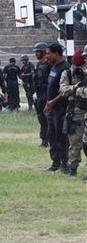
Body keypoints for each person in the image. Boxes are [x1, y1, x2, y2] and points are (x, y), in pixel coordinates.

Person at [58, 47, 86, 177]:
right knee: (75, 141)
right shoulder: (68, 73)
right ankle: (73, 168)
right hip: (76, 110)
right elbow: (63, 90)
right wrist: (75, 87)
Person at [43, 42, 71, 173]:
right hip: (51, 108)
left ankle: (65, 164)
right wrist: (47, 104)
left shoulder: (65, 68)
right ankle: (55, 162)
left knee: (61, 137)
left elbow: (65, 90)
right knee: (51, 135)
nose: (46, 56)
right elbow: (51, 87)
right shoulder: (53, 67)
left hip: (61, 108)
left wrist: (53, 102)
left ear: (56, 54)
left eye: (49, 53)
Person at [33, 42, 51, 147]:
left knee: (48, 118)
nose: (36, 54)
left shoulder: (49, 65)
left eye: (38, 52)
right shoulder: (39, 64)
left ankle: (50, 139)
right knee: (41, 118)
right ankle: (44, 139)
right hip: (39, 95)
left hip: (47, 95)